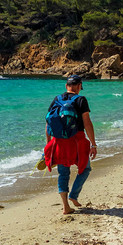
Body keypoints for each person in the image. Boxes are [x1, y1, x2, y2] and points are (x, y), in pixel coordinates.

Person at [43, 74, 96, 214]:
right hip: (77, 141)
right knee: (85, 169)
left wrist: (49, 145)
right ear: (79, 86)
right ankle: (74, 195)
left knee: (63, 173)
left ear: (66, 86)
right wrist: (93, 144)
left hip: (59, 142)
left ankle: (65, 206)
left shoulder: (57, 99)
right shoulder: (81, 100)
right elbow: (87, 123)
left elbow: (48, 122)